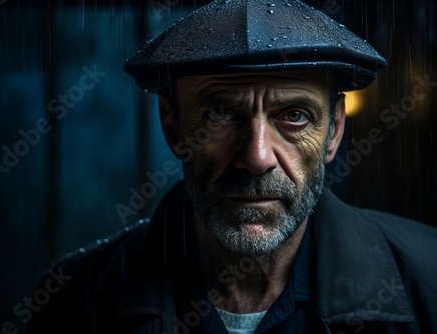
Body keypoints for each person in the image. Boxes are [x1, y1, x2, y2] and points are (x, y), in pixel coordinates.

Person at [26, 0, 437, 333]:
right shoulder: (74, 299)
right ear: (173, 126)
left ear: (333, 132)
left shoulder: (428, 279)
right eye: (221, 112)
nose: (257, 158)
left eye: (293, 115)